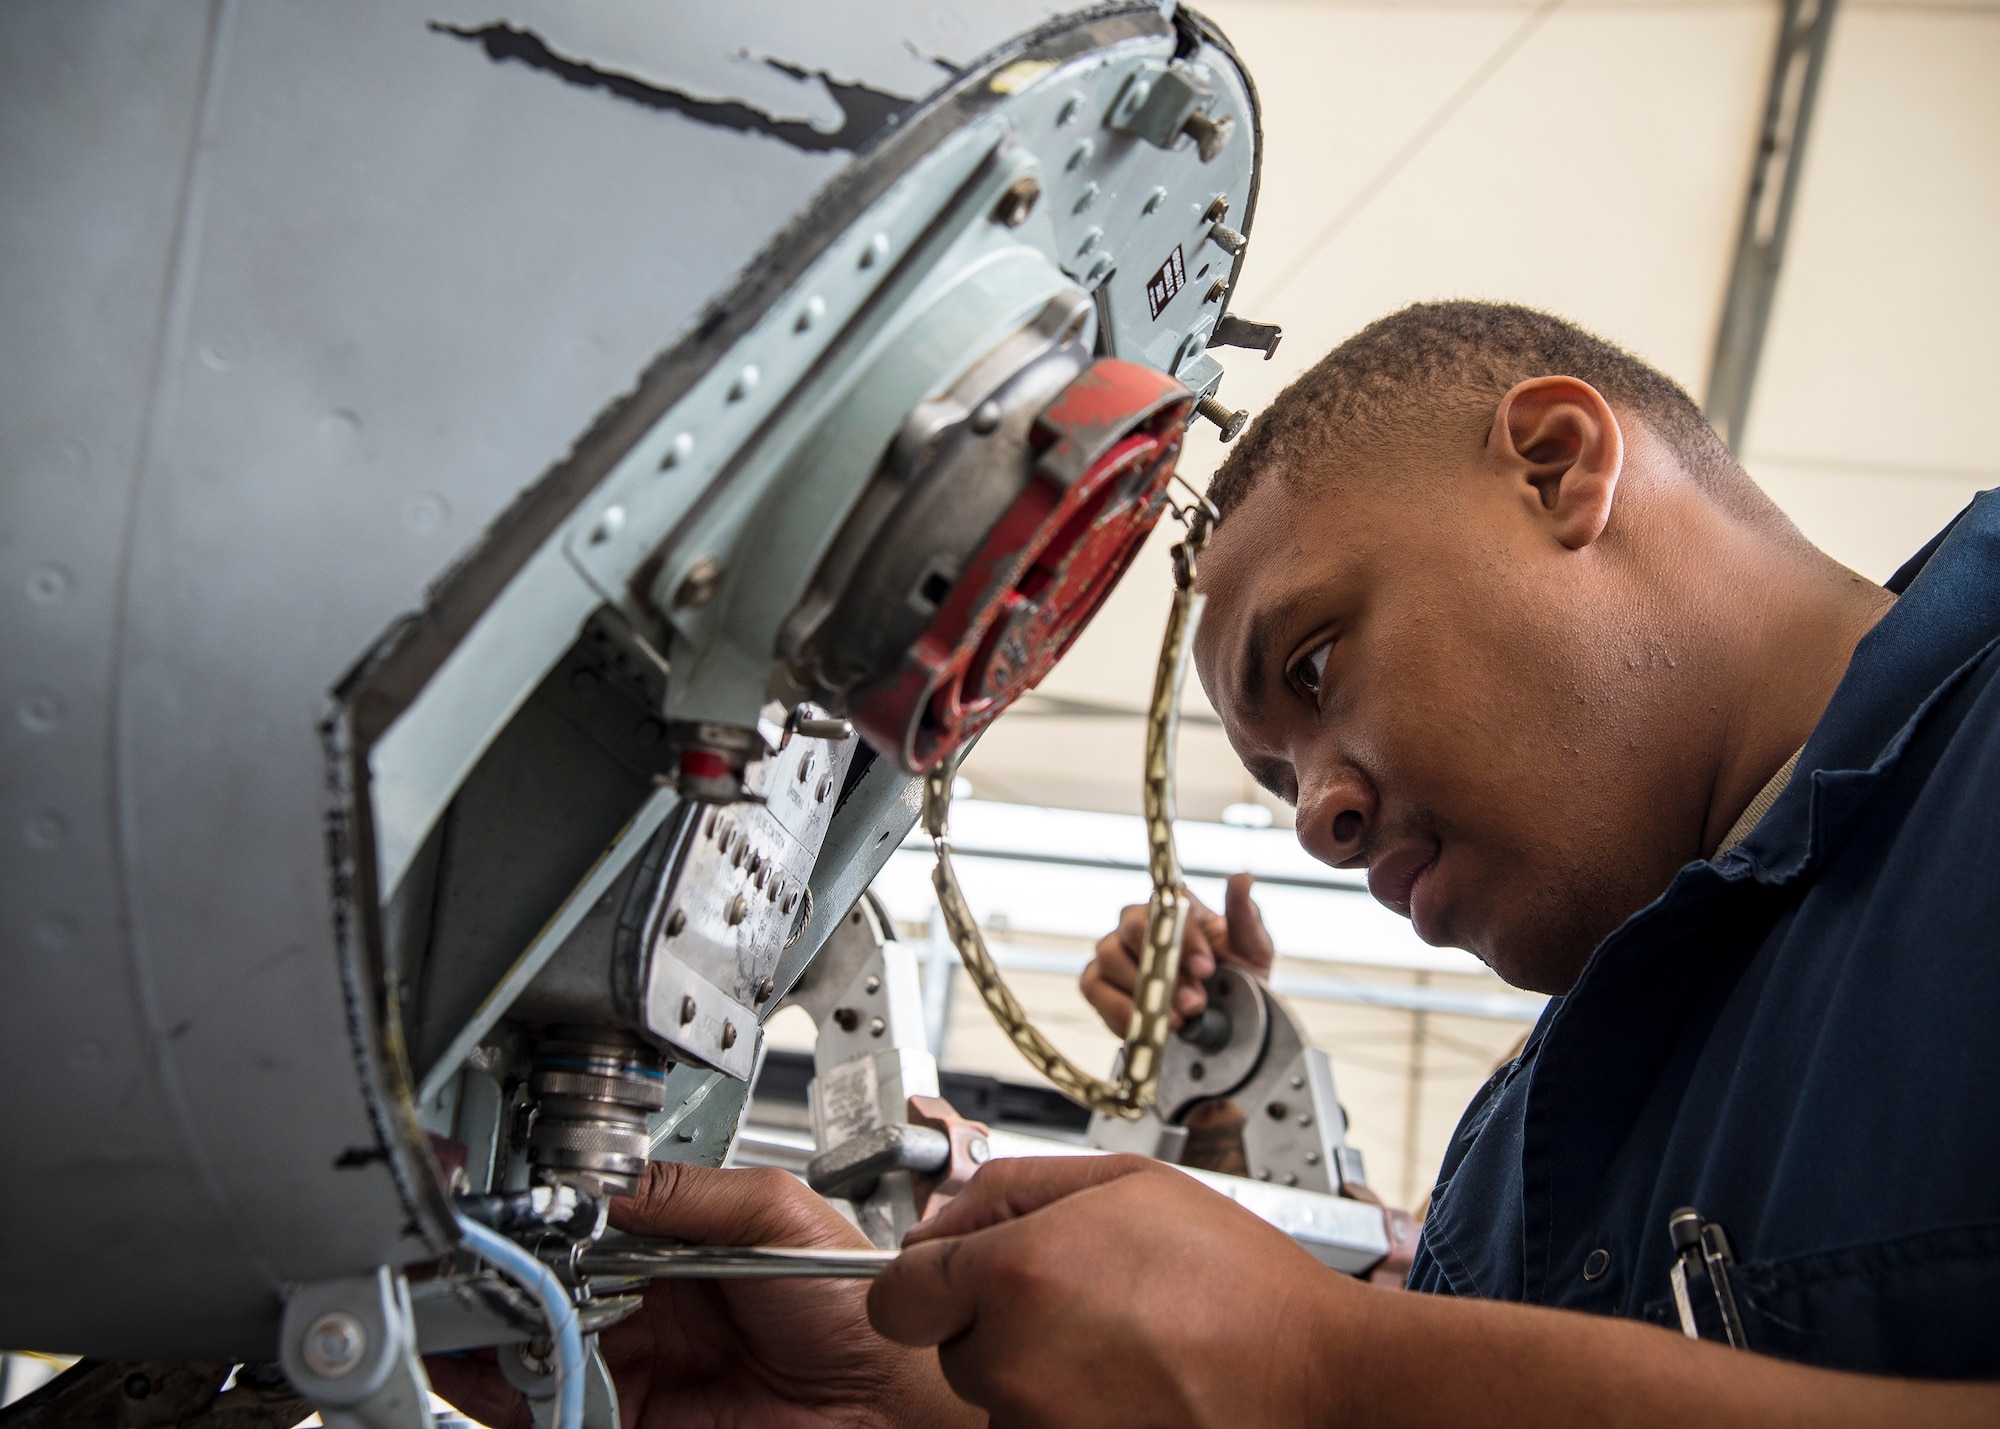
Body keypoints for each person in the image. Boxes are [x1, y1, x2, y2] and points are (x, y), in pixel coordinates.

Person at [431, 302, 2000, 1427]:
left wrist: (1334, 1375)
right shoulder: (1517, 1168)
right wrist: (903, 1392)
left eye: (1314, 666)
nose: (1317, 817)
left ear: (1555, 461)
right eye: (1274, 779)